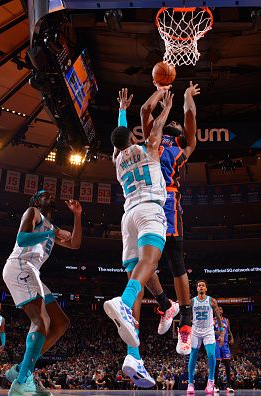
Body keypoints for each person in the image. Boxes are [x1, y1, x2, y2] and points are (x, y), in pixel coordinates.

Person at [105, 88, 173, 388]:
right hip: (149, 210)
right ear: (133, 139)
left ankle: (134, 355)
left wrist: (122, 109)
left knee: (139, 273)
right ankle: (127, 300)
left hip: (128, 216)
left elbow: (120, 138)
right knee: (149, 261)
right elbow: (156, 129)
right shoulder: (148, 150)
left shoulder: (118, 160)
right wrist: (166, 107)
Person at [140, 81, 201, 355]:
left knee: (176, 261)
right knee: (144, 264)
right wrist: (161, 93)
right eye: (171, 120)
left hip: (167, 200)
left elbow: (190, 119)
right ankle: (166, 305)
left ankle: (186, 324)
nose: (174, 121)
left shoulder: (183, 147)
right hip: (147, 200)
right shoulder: (153, 137)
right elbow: (145, 111)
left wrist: (188, 97)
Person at [2, 191, 82, 395]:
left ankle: (22, 370)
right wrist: (50, 234)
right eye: (45, 194)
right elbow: (22, 239)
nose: (51, 195)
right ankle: (21, 382)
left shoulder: (52, 227)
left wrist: (77, 216)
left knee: (61, 323)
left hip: (32, 271)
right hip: (20, 265)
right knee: (41, 320)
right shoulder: (33, 212)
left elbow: (75, 244)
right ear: (37, 200)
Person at [187, 280, 224, 394]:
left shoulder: (211, 301)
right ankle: (190, 383)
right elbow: (186, 316)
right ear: (197, 289)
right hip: (195, 331)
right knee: (193, 356)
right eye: (199, 286)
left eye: (203, 285)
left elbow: (218, 316)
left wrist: (221, 332)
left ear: (206, 289)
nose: (201, 287)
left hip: (208, 331)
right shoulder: (192, 301)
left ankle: (210, 381)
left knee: (211, 354)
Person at [214, 306, 235, 393]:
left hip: (225, 343)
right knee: (217, 365)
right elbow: (210, 331)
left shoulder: (226, 320)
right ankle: (215, 385)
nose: (219, 310)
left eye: (220, 309)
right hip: (216, 342)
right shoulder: (213, 320)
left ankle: (229, 385)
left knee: (227, 364)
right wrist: (220, 332)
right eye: (217, 309)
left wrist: (232, 338)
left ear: (222, 311)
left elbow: (229, 331)